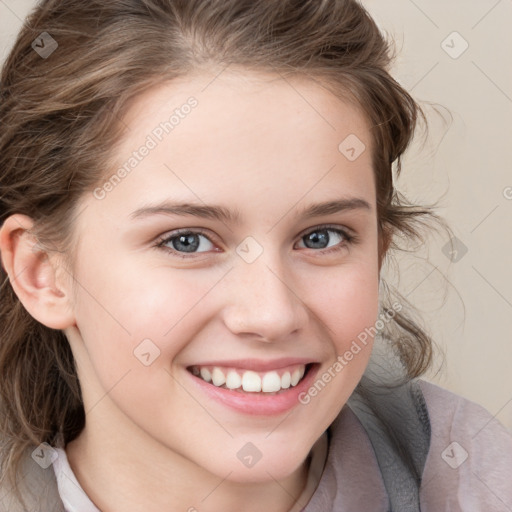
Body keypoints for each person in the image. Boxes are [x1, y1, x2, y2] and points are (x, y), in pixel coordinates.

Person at [0, 1, 510, 511]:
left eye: (321, 237)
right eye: (187, 241)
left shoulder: (477, 483)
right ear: (43, 273)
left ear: (378, 251)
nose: (272, 313)